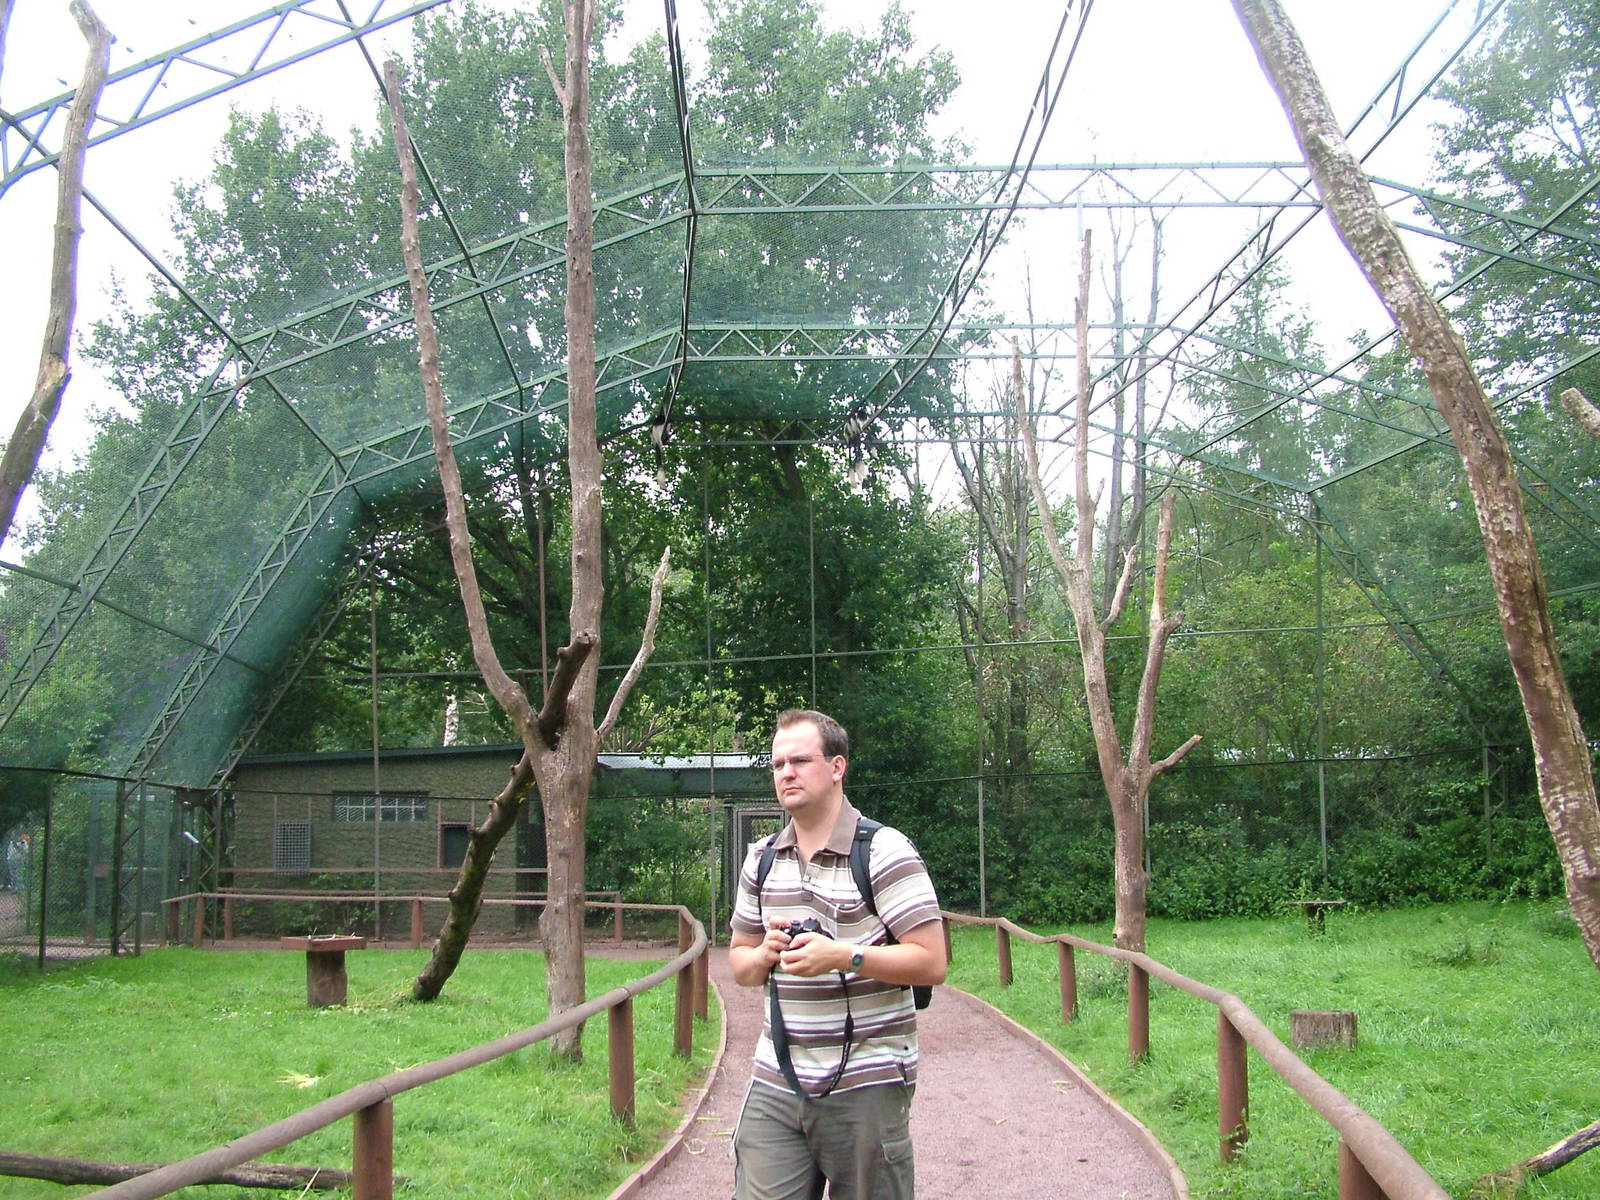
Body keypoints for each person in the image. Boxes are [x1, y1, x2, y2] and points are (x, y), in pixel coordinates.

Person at [728, 709, 946, 1200]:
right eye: (778, 763)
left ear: (836, 767)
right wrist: (764, 953)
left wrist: (843, 956)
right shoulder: (761, 858)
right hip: (777, 1079)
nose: (787, 772)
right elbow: (739, 963)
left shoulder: (886, 851)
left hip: (868, 1082)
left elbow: (932, 962)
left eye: (801, 760)